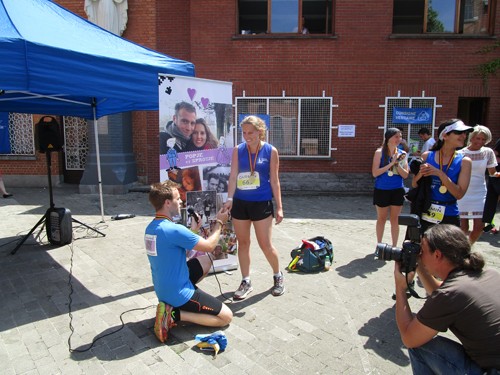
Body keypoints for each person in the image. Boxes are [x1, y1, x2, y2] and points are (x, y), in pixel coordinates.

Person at [394, 224, 500, 374]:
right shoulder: (490, 273)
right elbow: (442, 294)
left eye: (422, 251)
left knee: (420, 345)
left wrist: (400, 288)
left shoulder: (450, 294)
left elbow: (409, 338)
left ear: (437, 255)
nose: (420, 254)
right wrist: (418, 264)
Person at [144, 180, 232, 343]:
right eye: (178, 199)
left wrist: (193, 231)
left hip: (163, 288)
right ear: (167, 202)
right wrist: (220, 222)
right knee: (226, 317)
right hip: (177, 293)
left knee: (206, 262)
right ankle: (174, 314)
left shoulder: (151, 228)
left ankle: (174, 306)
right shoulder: (174, 229)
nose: (181, 201)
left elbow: (177, 253)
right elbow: (209, 246)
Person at [223, 115, 284, 299]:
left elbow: (274, 181)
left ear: (260, 131)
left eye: (251, 132)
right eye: (244, 133)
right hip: (240, 203)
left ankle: (278, 276)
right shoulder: (237, 150)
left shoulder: (270, 151)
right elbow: (233, 177)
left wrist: (279, 207)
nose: (247, 136)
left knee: (265, 245)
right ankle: (246, 280)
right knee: (243, 243)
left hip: (261, 203)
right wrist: (230, 198)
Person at [412, 119, 473, 234]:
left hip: (450, 213)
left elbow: (459, 194)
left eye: (465, 133)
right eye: (459, 132)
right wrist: (422, 172)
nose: (464, 136)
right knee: (425, 250)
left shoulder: (465, 161)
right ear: (445, 136)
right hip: (426, 210)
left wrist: (440, 174)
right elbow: (414, 184)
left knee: (447, 252)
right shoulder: (426, 156)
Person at [458, 125, 498, 244]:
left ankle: (468, 246)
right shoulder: (460, 153)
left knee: (479, 227)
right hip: (463, 192)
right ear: (472, 138)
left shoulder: (488, 152)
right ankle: (460, 249)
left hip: (480, 193)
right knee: (463, 227)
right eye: (478, 138)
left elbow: (493, 173)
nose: (480, 142)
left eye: (483, 139)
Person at [372, 128, 409, 247]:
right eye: (396, 137)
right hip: (382, 189)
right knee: (381, 218)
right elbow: (375, 173)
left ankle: (394, 246)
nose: (399, 139)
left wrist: (397, 164)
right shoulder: (379, 152)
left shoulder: (402, 154)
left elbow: (405, 175)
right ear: (389, 138)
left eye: (400, 137)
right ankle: (379, 245)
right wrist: (391, 163)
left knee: (395, 219)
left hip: (397, 189)